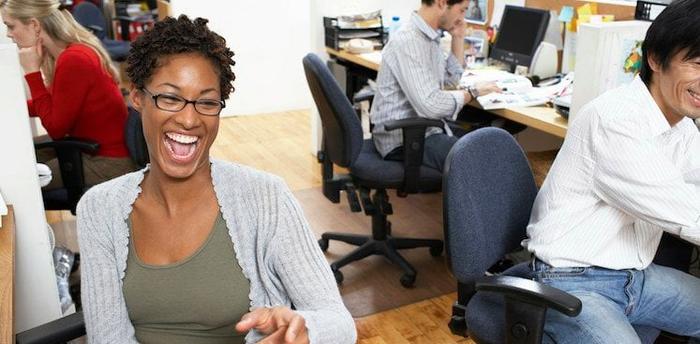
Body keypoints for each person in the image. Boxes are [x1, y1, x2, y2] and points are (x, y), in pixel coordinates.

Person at [76, 15, 356, 344]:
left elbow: (339, 322)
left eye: (207, 102)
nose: (190, 119)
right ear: (137, 98)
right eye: (170, 97)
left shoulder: (266, 198)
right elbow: (108, 339)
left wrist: (306, 329)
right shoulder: (98, 209)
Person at [523, 0, 700, 341]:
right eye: (696, 63)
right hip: (570, 281)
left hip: (634, 277)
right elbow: (690, 215)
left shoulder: (681, 127)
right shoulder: (614, 120)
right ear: (655, 59)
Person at [0, 0, 135, 190]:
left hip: (107, 162)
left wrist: (32, 73)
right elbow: (53, 103)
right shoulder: (71, 52)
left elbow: (56, 128)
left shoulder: (73, 60)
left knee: (15, 180)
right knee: (16, 154)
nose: (8, 34)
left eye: (10, 26)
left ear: (34, 25)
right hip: (90, 149)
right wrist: (10, 107)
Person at [370, 0, 500, 172]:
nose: (462, 18)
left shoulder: (429, 38)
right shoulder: (409, 41)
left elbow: (449, 82)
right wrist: (473, 92)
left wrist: (458, 37)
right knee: (480, 161)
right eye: (461, 10)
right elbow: (431, 105)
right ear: (441, 3)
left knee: (491, 146)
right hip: (403, 137)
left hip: (425, 128)